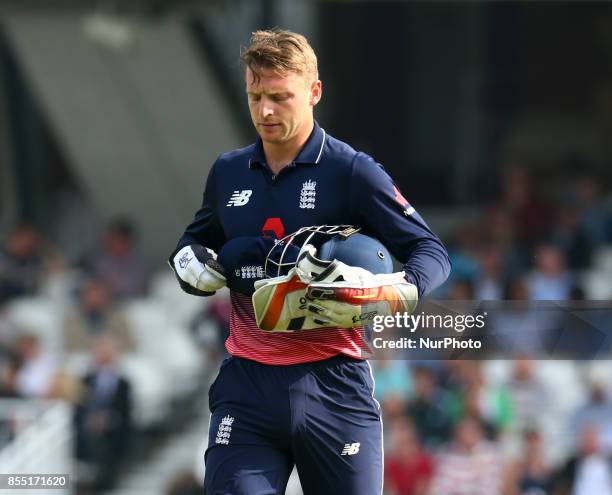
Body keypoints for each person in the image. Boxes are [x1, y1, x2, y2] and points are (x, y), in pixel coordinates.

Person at [169, 29, 450, 494]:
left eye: (280, 97)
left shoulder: (352, 170)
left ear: (314, 91)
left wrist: (394, 291)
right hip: (247, 387)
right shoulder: (227, 171)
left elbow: (431, 251)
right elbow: (193, 244)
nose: (265, 111)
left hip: (334, 387)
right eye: (255, 96)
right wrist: (189, 265)